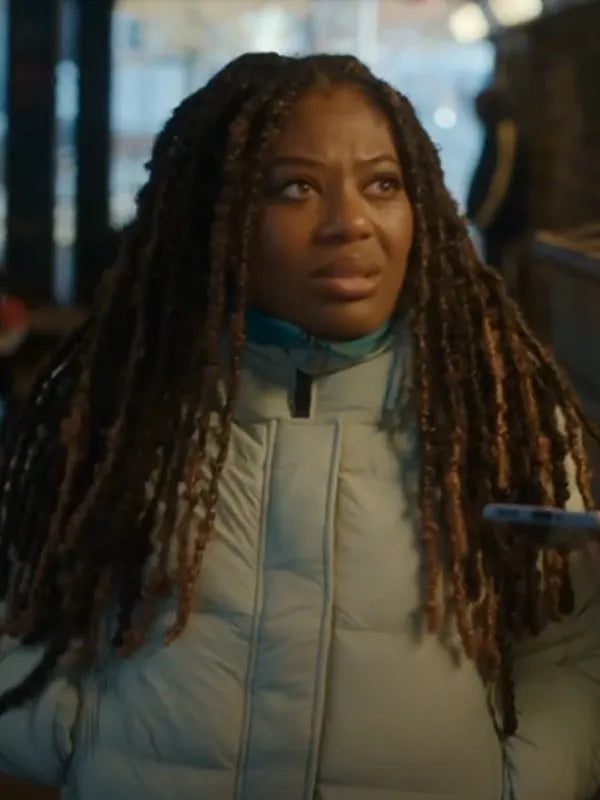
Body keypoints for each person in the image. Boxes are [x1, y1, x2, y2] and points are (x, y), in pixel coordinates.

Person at [0, 52, 598, 800]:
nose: (350, 223)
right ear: (216, 213)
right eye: (296, 188)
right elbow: (20, 611)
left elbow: (568, 649)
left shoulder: (500, 420)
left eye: (383, 184)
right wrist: (69, 738)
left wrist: (528, 781)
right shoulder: (120, 410)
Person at [466, 86, 529, 273]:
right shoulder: (494, 131)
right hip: (493, 222)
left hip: (501, 223)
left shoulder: (505, 133)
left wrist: (485, 216)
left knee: (499, 268)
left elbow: (501, 180)